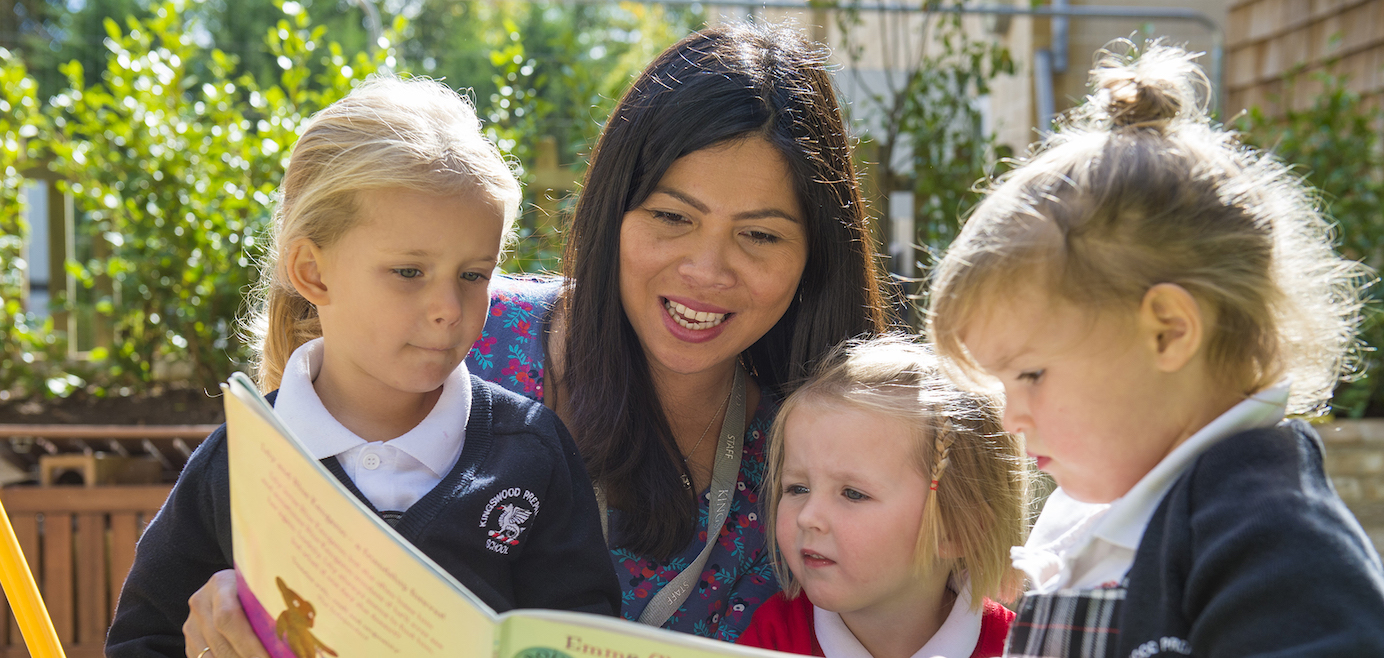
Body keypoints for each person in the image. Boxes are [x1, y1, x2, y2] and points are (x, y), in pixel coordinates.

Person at [182, 22, 893, 655]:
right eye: (673, 218)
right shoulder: (461, 337)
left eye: (759, 235)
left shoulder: (833, 451)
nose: (706, 270)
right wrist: (235, 607)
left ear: (814, 259)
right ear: (612, 212)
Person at [105, 77, 621, 658]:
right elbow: (141, 641)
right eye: (409, 272)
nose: (448, 309)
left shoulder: (534, 452)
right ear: (312, 272)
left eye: (473, 275)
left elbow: (584, 635)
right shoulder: (240, 461)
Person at [926, 41, 1384, 656]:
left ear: (1168, 331)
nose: (1012, 417)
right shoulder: (1087, 513)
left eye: (1030, 374)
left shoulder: (1272, 536)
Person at [736, 335, 1024, 657]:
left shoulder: (1026, 647)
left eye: (853, 494)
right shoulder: (774, 637)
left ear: (956, 530)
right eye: (797, 489)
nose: (808, 517)